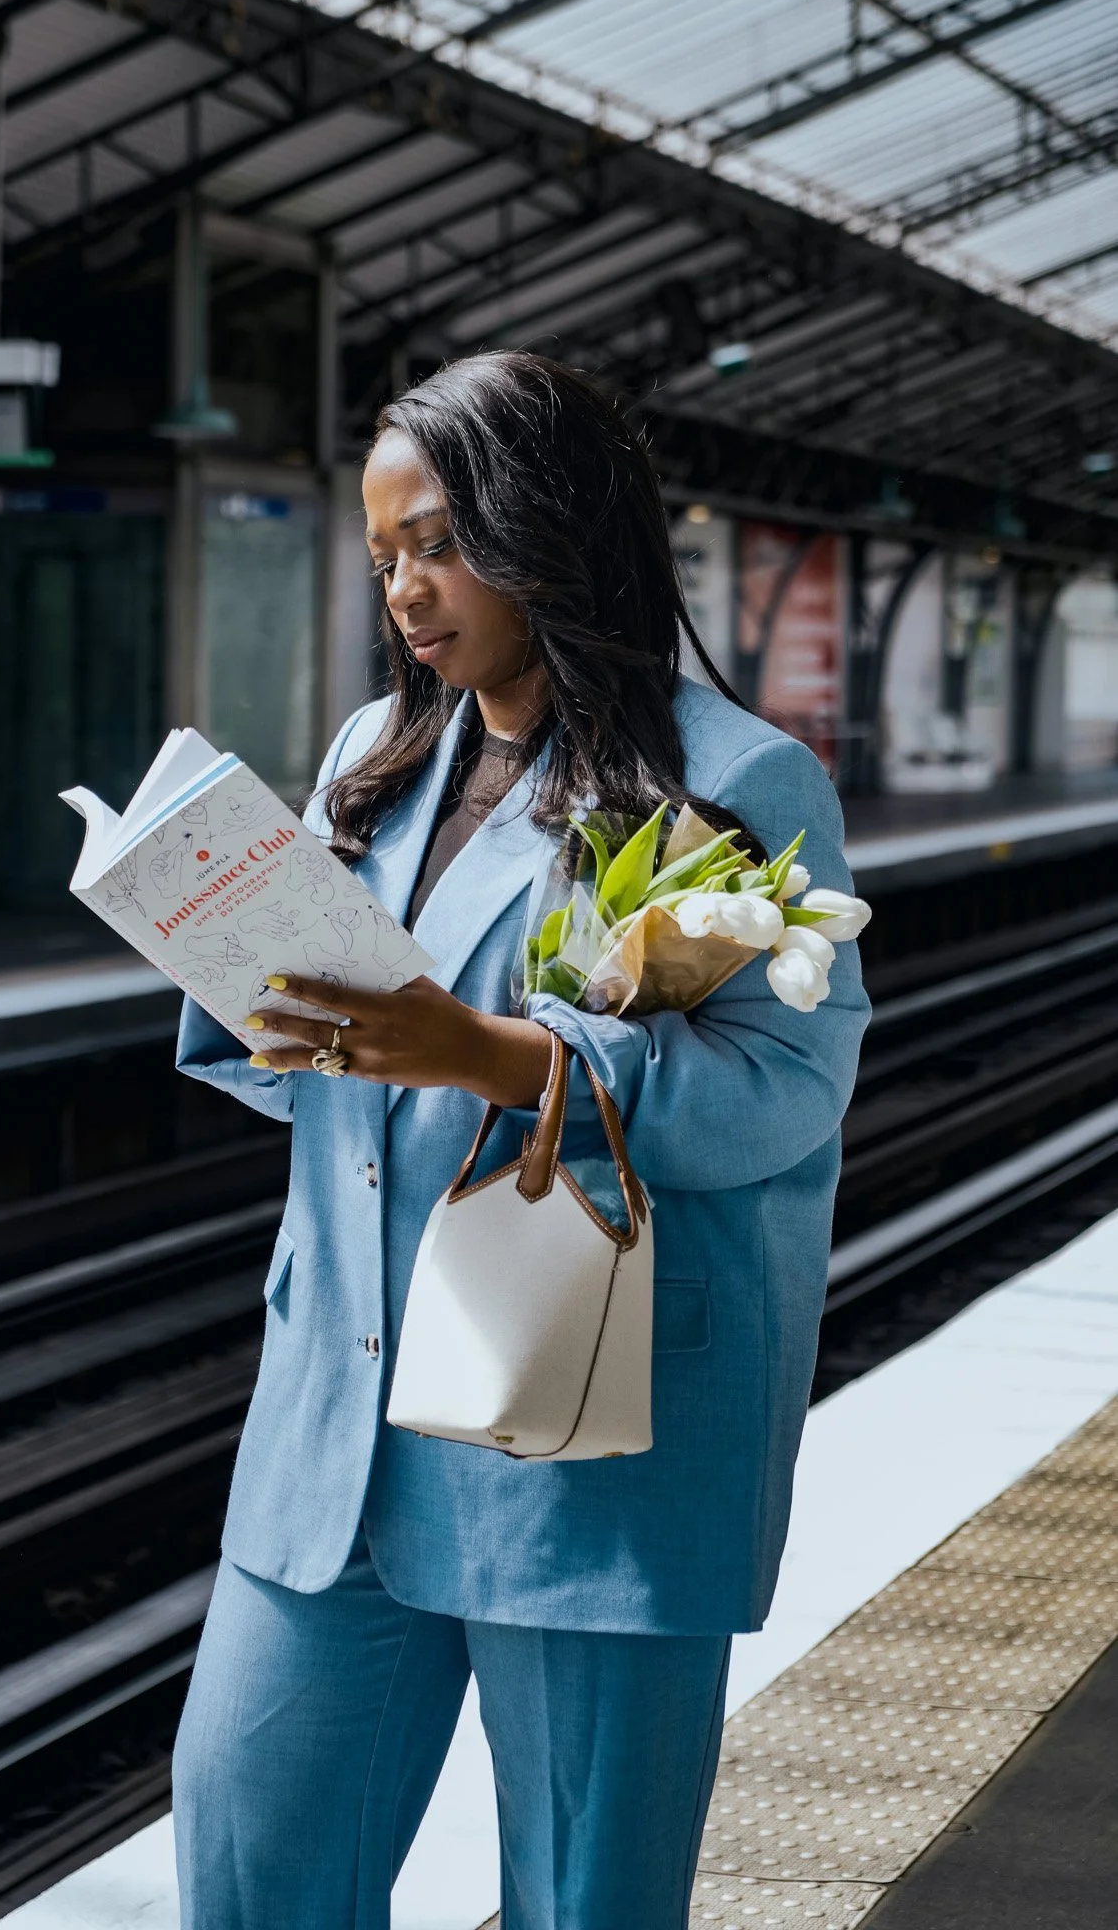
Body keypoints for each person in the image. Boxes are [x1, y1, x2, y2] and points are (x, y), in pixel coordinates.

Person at [172, 352, 870, 1929]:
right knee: (247, 1845)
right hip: (338, 1426)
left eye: (436, 545)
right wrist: (250, 989)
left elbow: (786, 1087)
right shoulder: (377, 754)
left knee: (583, 1895)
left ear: (546, 526)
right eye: (383, 560)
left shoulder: (740, 778)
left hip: (579, 1432)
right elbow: (331, 1060)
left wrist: (500, 1057)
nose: (406, 595)